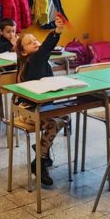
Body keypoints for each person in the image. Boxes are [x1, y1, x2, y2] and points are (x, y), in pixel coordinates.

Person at [13, 16, 65, 187]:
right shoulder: (33, 61)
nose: (35, 42)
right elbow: (45, 50)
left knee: (65, 117)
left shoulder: (42, 61)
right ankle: (40, 162)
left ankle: (41, 148)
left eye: (35, 40)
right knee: (53, 124)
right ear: (23, 52)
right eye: (30, 43)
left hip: (44, 107)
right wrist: (56, 32)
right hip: (28, 110)